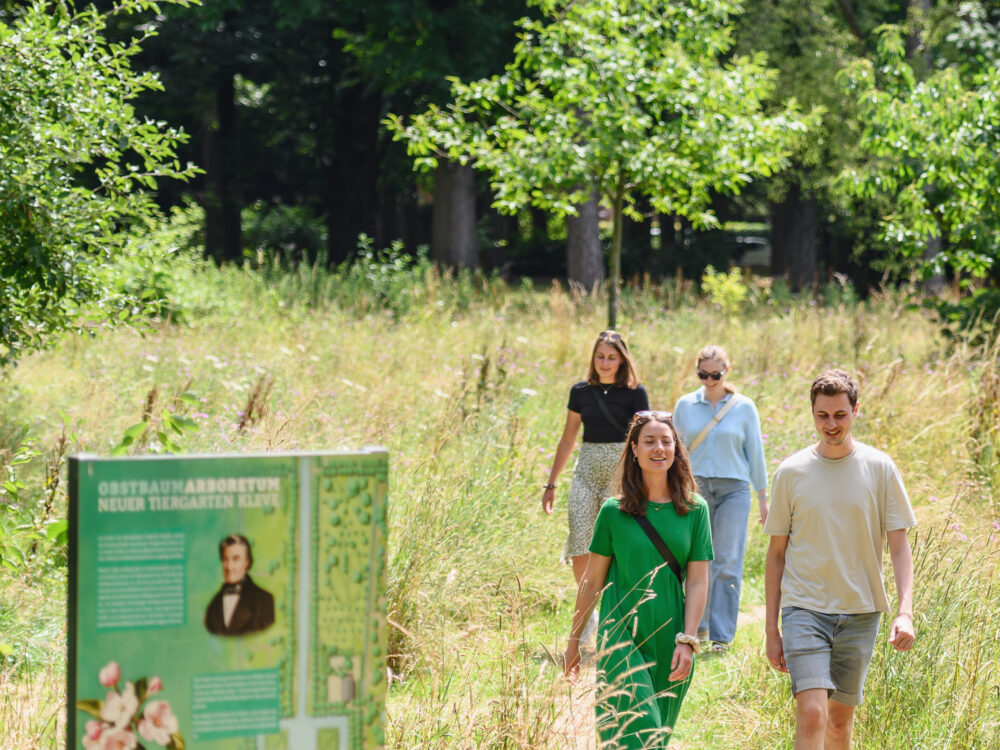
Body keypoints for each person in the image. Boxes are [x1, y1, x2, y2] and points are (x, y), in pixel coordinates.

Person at [764, 369, 916, 750]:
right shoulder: (791, 472)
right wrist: (771, 629)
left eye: (840, 415)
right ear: (812, 413)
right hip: (805, 609)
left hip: (861, 612)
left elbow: (899, 546)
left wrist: (905, 611)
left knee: (838, 724)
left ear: (855, 411)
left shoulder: (880, 467)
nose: (831, 424)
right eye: (822, 415)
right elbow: (776, 554)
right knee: (813, 714)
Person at [564, 411, 713, 748]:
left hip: (669, 632)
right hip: (620, 631)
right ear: (633, 448)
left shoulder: (694, 510)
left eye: (666, 440)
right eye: (649, 441)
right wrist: (574, 642)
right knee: (636, 731)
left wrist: (687, 640)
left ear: (676, 448)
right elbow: (592, 581)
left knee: (655, 734)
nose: (658, 448)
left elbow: (699, 581)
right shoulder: (613, 512)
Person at [673, 344, 767, 652]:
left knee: (727, 560)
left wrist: (763, 498)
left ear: (727, 372)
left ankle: (721, 636)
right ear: (697, 371)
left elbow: (755, 453)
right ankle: (696, 626)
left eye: (716, 374)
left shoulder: (744, 407)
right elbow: (675, 452)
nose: (710, 380)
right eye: (704, 374)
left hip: (734, 489)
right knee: (696, 560)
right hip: (695, 489)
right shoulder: (685, 405)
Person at [541, 330, 649, 590]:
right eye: (600, 356)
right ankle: (587, 607)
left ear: (622, 360)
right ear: (593, 358)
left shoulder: (635, 392)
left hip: (620, 471)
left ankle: (616, 603)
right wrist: (551, 484)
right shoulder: (580, 391)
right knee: (579, 539)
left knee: (615, 541)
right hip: (586, 470)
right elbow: (568, 439)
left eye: (612, 357)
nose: (605, 363)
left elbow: (645, 437)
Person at [205, 534, 275, 636]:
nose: (229, 566)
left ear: (247, 562)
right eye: (225, 559)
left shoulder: (264, 602)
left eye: (235, 559)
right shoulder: (213, 606)